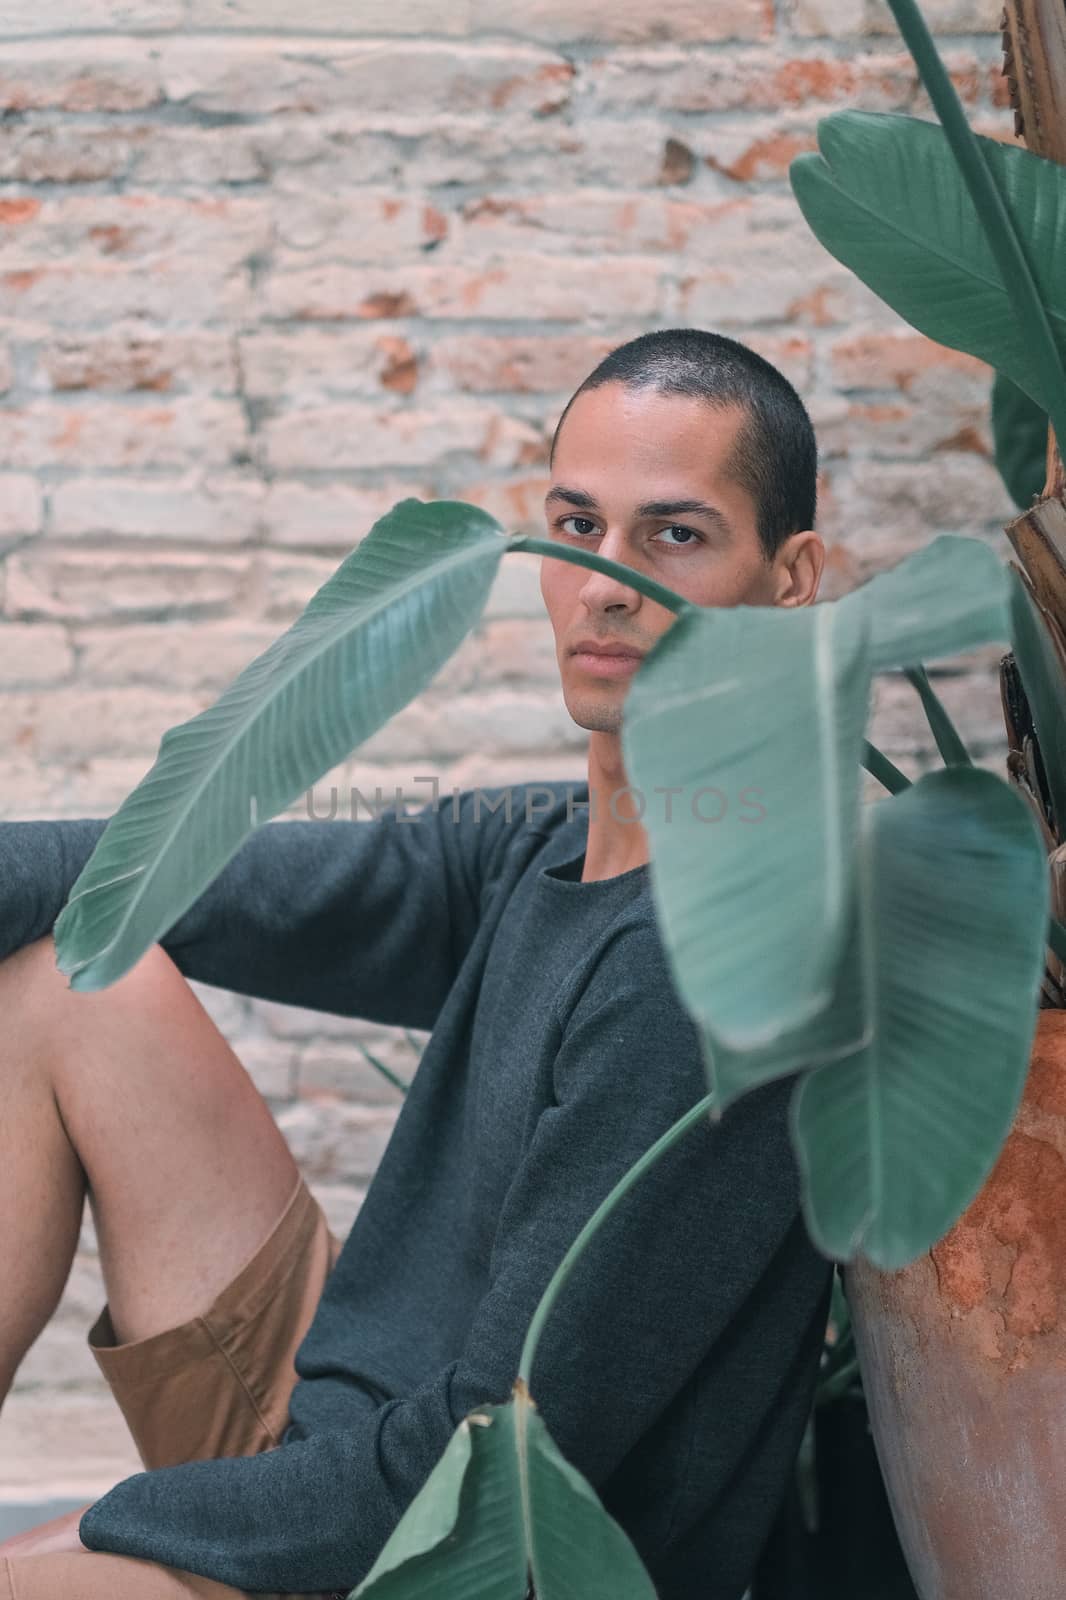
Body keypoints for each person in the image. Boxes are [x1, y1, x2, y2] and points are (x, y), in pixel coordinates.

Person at [0, 328, 832, 1600]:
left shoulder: (706, 964)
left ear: (790, 577)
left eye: (672, 535)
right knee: (68, 973)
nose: (601, 582)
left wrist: (123, 1519)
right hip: (333, 1440)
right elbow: (161, 868)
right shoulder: (542, 846)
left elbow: (488, 1469)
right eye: (574, 524)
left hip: (458, 1551)